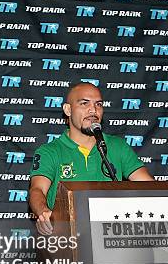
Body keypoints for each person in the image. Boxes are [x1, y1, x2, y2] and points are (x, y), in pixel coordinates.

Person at [29, 82, 154, 235]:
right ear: (68, 109)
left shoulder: (118, 146)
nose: (93, 110)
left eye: (98, 104)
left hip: (112, 236)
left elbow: (149, 187)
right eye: (84, 103)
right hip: (67, 238)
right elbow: (37, 190)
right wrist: (43, 212)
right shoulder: (50, 151)